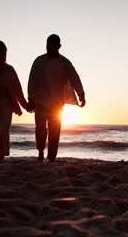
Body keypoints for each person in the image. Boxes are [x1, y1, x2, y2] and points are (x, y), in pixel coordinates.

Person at [27, 34, 86, 162]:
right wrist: (30, 98)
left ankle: (52, 157)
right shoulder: (39, 61)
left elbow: (74, 77)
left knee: (55, 132)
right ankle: (41, 152)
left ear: (59, 46)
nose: (50, 46)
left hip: (57, 103)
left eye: (53, 44)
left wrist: (81, 94)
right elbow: (32, 79)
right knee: (40, 130)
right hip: (40, 101)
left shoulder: (65, 63)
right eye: (48, 44)